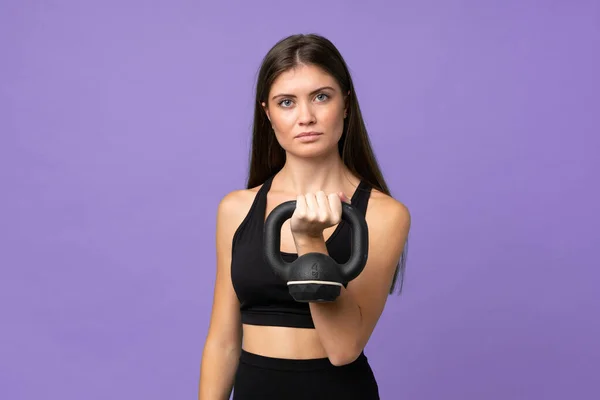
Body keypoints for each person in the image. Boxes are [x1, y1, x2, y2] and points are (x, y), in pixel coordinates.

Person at [198, 33, 411, 400]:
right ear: (268, 113)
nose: (306, 117)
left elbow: (344, 348)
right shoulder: (236, 209)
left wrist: (311, 242)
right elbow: (223, 342)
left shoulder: (384, 214)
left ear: (346, 104)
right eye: (286, 103)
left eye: (321, 97)